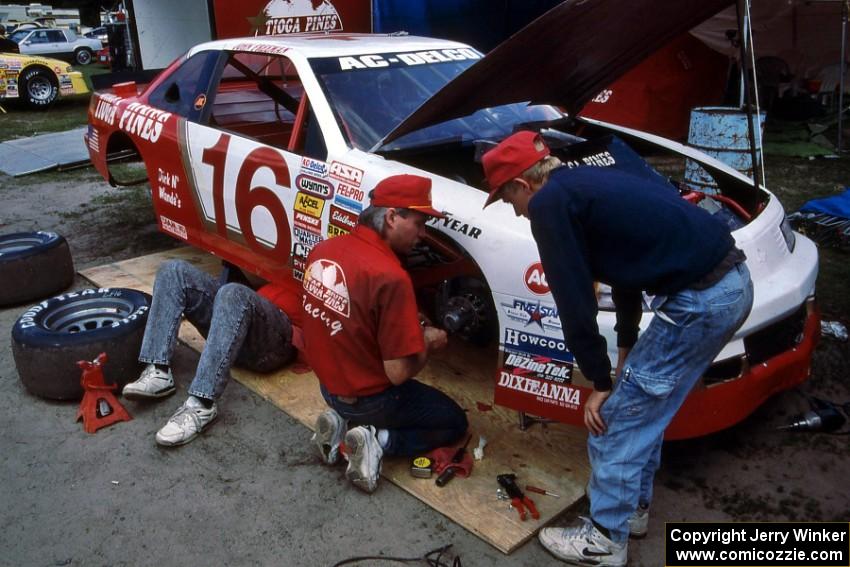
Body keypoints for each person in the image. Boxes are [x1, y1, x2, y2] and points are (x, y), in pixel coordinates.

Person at [481, 131, 754, 566]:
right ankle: (633, 512)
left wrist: (600, 381)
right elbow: (626, 270)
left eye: (507, 199)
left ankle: (605, 539)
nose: (514, 211)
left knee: (616, 421)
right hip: (730, 286)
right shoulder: (586, 183)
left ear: (521, 185)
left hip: (700, 301)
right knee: (645, 410)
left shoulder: (549, 207)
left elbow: (574, 300)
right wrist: (624, 350)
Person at [303, 174, 468, 493]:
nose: (422, 235)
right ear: (392, 216)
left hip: (328, 388)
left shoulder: (325, 249)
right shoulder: (390, 276)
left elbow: (351, 318)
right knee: (454, 422)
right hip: (372, 401)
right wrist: (427, 343)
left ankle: (341, 425)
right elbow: (397, 373)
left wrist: (405, 320)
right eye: (419, 224)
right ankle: (379, 440)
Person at [122, 260, 298, 447]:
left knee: (233, 292)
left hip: (276, 341)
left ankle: (201, 404)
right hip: (238, 323)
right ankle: (158, 370)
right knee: (172, 270)